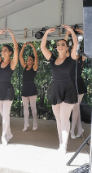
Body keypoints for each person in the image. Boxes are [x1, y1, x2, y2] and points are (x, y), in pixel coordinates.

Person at [41, 25, 78, 153]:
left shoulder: (71, 58)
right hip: (55, 89)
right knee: (58, 119)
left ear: (67, 47)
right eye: (58, 44)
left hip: (68, 89)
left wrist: (72, 32)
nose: (60, 45)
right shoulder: (52, 59)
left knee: (64, 117)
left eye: (62, 44)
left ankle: (64, 145)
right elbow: (42, 47)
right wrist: (46, 33)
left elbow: (76, 44)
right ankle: (61, 143)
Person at [0, 29, 19, 145]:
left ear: (10, 52)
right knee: (3, 114)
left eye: (5, 50)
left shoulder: (12, 63)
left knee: (6, 114)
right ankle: (9, 133)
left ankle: (4, 136)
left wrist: (12, 34)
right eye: (2, 50)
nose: (2, 52)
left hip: (8, 89)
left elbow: (17, 48)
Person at [65, 28, 87, 139]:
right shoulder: (68, 58)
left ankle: (72, 130)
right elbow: (63, 46)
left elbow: (89, 42)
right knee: (75, 108)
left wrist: (84, 33)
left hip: (79, 84)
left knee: (75, 108)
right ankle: (79, 128)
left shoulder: (82, 58)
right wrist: (67, 34)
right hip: (70, 85)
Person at [19, 42, 38, 131]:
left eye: (30, 59)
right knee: (25, 107)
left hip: (32, 88)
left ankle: (35, 123)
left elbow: (36, 57)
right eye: (28, 59)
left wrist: (33, 46)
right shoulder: (24, 66)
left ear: (33, 61)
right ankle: (26, 124)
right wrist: (23, 46)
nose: (28, 60)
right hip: (25, 88)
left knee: (33, 107)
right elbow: (20, 57)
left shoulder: (34, 68)